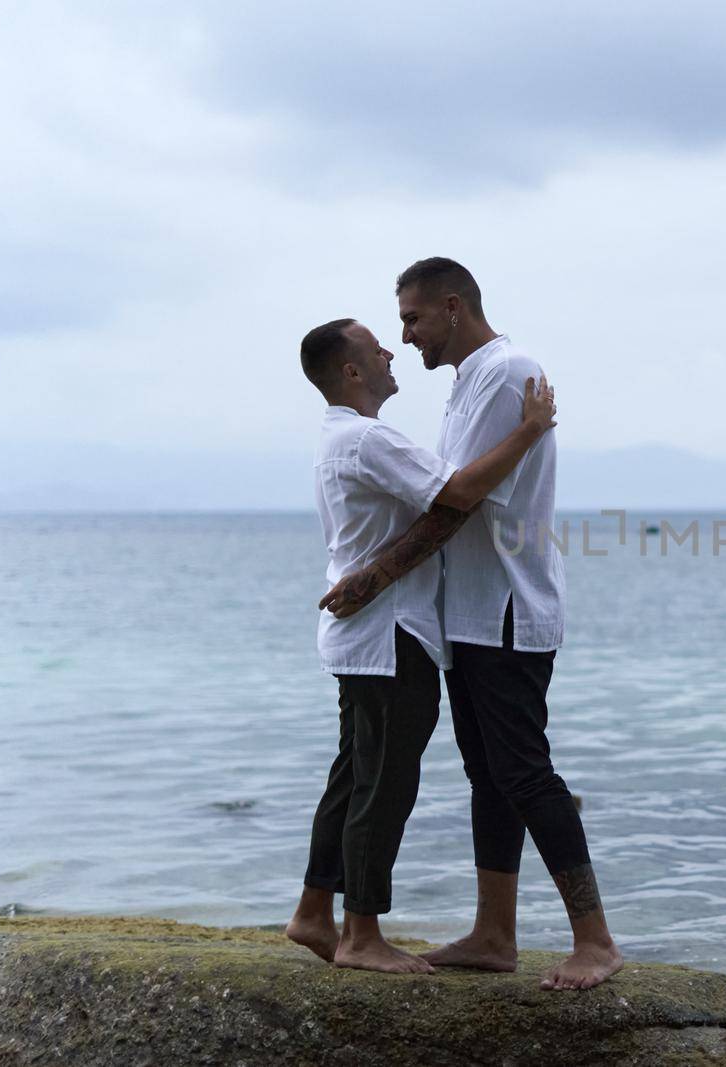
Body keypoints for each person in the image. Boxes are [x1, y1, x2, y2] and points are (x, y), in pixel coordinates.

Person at [319, 259, 623, 991]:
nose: (405, 335)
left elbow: (453, 502)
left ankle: (596, 941)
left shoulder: (507, 370)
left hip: (509, 612)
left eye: (413, 319)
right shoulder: (468, 382)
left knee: (523, 770)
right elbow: (444, 496)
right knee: (488, 777)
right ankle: (495, 933)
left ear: (452, 307)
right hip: (472, 616)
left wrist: (376, 574)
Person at [285, 317, 556, 975]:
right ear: (351, 371)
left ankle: (315, 912)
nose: (389, 349)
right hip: (391, 636)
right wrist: (529, 430)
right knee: (384, 785)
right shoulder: (369, 438)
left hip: (364, 635)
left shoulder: (340, 438)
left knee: (353, 775)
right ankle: (361, 934)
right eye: (375, 345)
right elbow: (459, 493)